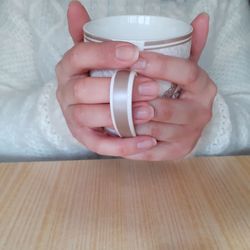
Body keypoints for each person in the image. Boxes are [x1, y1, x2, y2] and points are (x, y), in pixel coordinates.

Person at [0, 0, 249, 162]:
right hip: (63, 201)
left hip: (192, 195)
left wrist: (204, 123)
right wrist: (67, 114)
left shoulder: (223, 4)